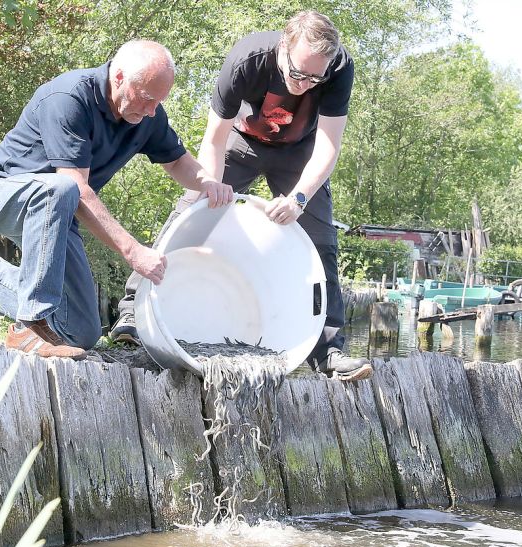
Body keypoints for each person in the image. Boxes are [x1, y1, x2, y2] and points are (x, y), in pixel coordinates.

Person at [110, 11, 372, 381]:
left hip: (299, 153)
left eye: (314, 78)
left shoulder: (339, 67)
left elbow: (329, 146)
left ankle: (328, 350)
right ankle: (133, 312)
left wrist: (299, 198)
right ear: (284, 47)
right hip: (241, 143)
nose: (303, 84)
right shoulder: (247, 59)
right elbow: (214, 138)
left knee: (322, 239)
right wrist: (209, 189)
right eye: (297, 73)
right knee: (192, 209)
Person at [0, 40, 233, 358]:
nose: (153, 110)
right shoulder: (69, 97)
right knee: (62, 189)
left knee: (79, 332)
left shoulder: (147, 115)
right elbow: (75, 186)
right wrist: (134, 251)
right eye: (147, 99)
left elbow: (176, 161)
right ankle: (27, 327)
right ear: (119, 78)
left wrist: (207, 182)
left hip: (57, 212)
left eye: (159, 102)